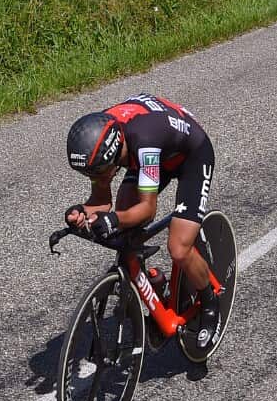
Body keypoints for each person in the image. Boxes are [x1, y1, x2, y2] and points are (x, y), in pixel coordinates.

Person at [64, 93, 221, 345]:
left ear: (114, 155)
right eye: (90, 173)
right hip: (150, 148)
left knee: (179, 248)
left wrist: (113, 219)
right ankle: (154, 286)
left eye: (100, 172)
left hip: (191, 155)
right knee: (125, 220)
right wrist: (82, 212)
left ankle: (210, 302)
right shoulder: (100, 136)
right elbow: (101, 200)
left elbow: (147, 209)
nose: (97, 177)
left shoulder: (145, 144)